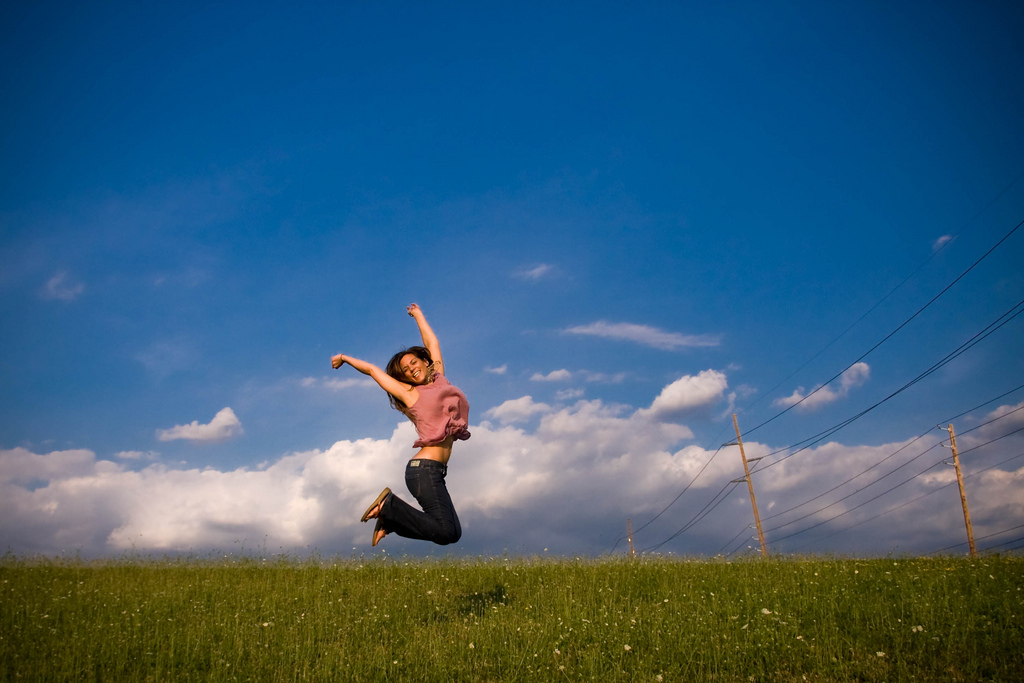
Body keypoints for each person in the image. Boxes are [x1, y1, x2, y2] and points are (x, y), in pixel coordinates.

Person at [331, 304, 470, 547]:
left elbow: (432, 343)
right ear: (403, 378)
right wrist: (344, 358)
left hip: (435, 471)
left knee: (453, 533)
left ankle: (392, 519)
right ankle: (390, 508)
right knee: (446, 533)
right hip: (423, 470)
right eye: (405, 370)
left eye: (414, 363)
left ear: (425, 362)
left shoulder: (440, 378)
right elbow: (373, 371)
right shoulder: (409, 393)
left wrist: (418, 315)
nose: (411, 369)